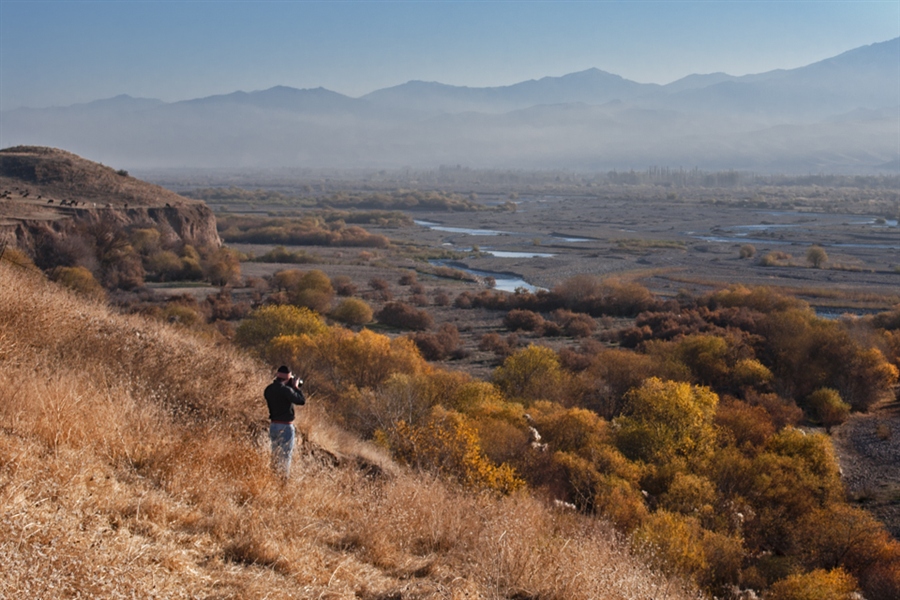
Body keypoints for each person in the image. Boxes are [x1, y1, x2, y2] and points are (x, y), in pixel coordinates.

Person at [264, 365, 306, 478]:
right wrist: (296, 387)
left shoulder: (268, 389)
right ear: (288, 378)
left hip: (273, 425)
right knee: (285, 458)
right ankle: (282, 481)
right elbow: (301, 401)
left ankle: (273, 478)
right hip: (286, 427)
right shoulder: (287, 391)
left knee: (275, 455)